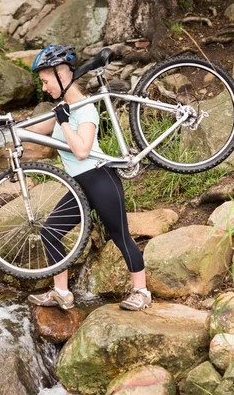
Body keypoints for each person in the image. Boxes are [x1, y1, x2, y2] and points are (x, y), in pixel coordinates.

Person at [27, 44, 152, 312]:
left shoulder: (85, 109)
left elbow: (82, 150)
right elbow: (35, 129)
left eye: (46, 81)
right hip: (78, 186)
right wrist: (6, 129)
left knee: (119, 235)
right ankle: (61, 292)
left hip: (100, 178)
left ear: (62, 76)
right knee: (50, 232)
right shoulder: (62, 108)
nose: (44, 88)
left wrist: (62, 122)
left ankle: (141, 292)